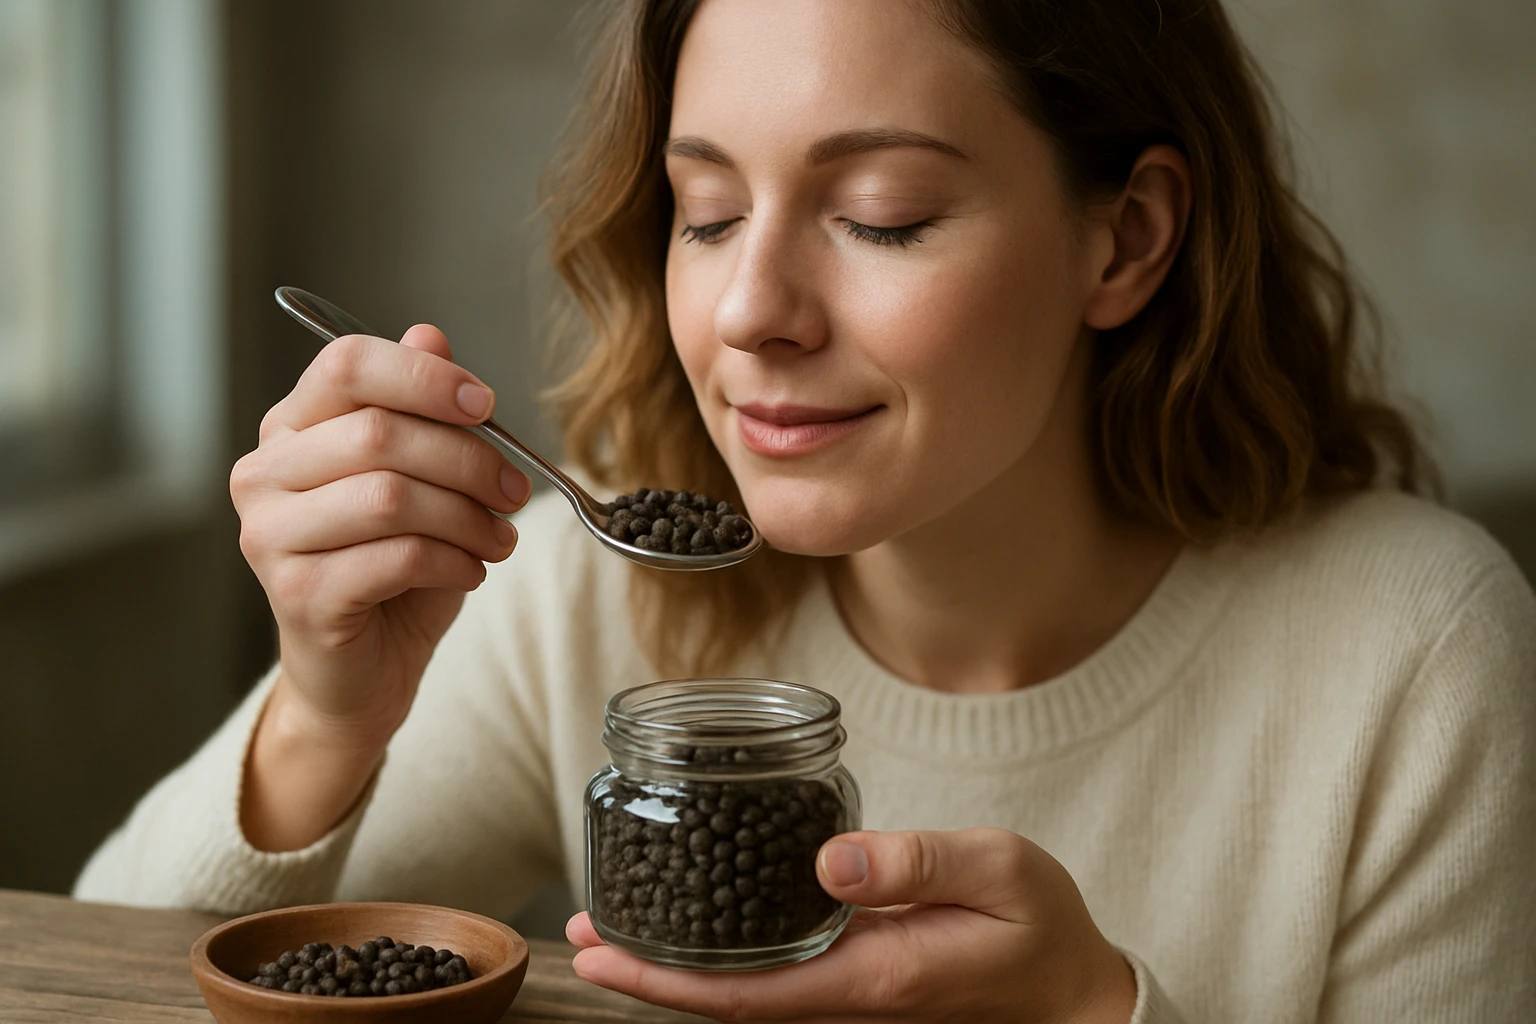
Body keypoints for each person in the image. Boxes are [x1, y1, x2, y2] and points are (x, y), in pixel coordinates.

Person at [75, 0, 1534, 1021]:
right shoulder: (586, 593)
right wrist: (325, 716)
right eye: (706, 215)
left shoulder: (1412, 650)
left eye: (881, 214)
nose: (751, 312)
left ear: (1127, 239)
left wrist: (1103, 1014)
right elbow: (91, 970)